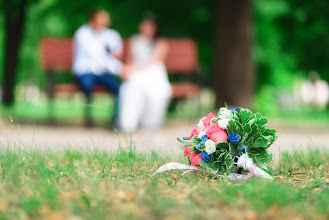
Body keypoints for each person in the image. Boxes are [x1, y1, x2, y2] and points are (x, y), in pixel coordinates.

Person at [72, 9, 130, 126]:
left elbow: (116, 52)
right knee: (87, 85)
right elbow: (98, 57)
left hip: (102, 72)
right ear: (93, 19)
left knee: (118, 87)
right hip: (85, 71)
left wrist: (116, 62)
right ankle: (88, 118)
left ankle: (115, 119)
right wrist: (119, 68)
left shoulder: (110, 35)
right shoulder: (82, 34)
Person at [118, 14, 172, 132]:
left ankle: (149, 122)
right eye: (145, 25)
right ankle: (128, 123)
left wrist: (137, 68)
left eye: (150, 26)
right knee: (131, 87)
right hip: (137, 71)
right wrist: (128, 69)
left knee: (159, 91)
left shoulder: (161, 42)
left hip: (154, 72)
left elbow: (155, 60)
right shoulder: (135, 40)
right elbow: (130, 60)